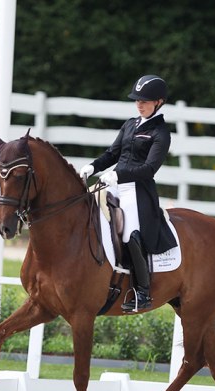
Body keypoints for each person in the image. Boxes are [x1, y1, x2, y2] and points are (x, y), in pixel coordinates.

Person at [80, 74, 177, 312]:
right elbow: (112, 154)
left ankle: (142, 292)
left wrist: (119, 176)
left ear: (159, 102)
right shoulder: (130, 125)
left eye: (145, 100)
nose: (139, 104)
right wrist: (94, 166)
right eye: (137, 100)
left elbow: (149, 168)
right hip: (113, 182)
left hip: (137, 190)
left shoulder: (161, 133)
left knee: (130, 234)